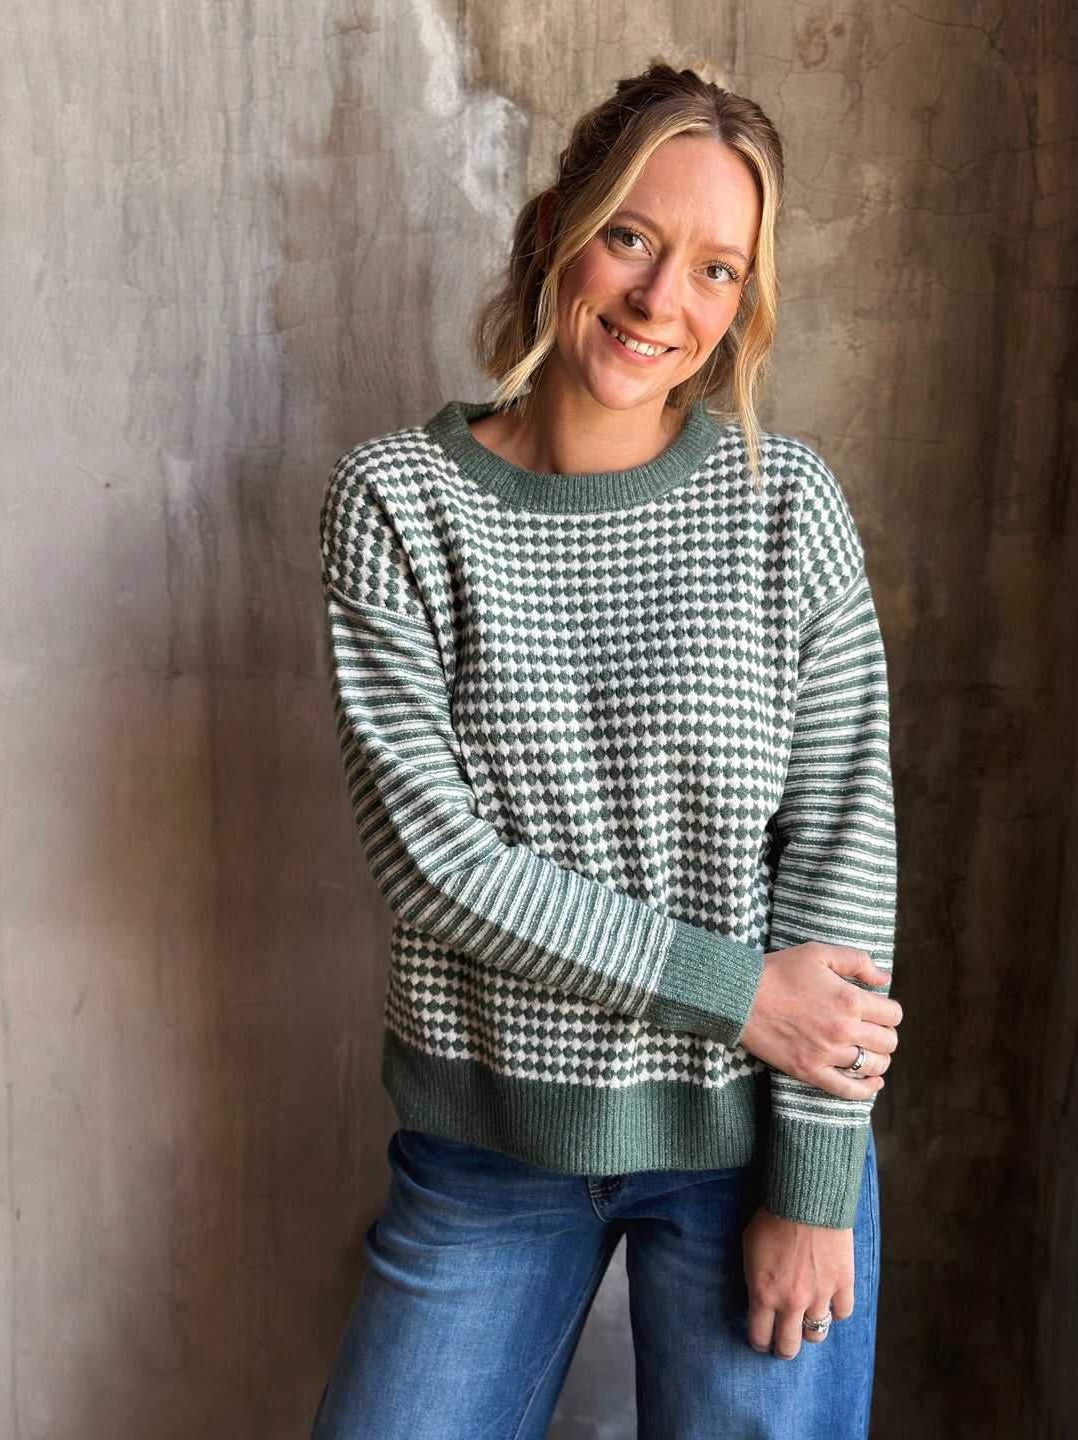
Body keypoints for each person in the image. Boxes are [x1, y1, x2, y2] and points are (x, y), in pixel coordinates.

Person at [310, 64, 901, 1440]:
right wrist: (736, 994)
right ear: (554, 233)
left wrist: (815, 1185)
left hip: (749, 1143)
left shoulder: (785, 505)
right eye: (632, 238)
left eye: (715, 269)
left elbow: (842, 851)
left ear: (742, 303)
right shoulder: (399, 505)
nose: (660, 300)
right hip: (489, 1145)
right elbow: (435, 866)